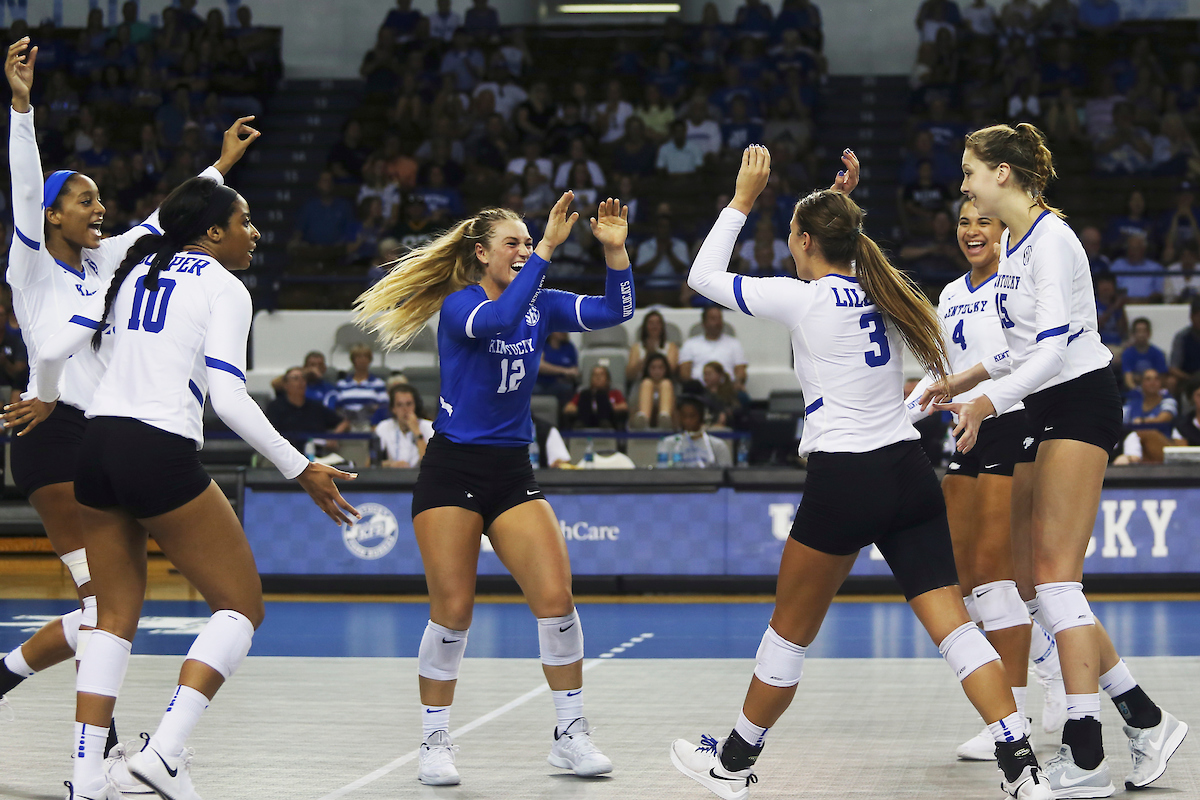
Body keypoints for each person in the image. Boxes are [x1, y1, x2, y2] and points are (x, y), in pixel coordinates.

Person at [672, 145, 1053, 800]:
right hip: (908, 472)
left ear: (805, 241)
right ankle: (1022, 765)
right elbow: (835, 247)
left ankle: (732, 764)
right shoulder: (884, 295)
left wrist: (742, 199)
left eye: (794, 236)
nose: (790, 247)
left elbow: (703, 276)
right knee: (957, 631)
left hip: (844, 480)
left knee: (788, 634)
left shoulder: (801, 299)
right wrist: (832, 204)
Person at [14, 176, 357, 797]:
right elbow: (227, 399)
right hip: (156, 448)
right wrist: (298, 466)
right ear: (212, 231)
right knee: (242, 605)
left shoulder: (132, 269)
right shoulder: (226, 288)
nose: (254, 233)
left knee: (110, 619)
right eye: (244, 221)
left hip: (94, 447)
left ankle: (88, 780)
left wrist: (42, 392)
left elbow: (52, 343)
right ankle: (165, 751)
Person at [0, 39, 257, 790]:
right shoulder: (32, 264)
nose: (98, 207)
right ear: (52, 214)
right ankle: (100, 754)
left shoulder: (109, 260)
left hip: (101, 438)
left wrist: (221, 165)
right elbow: (22, 192)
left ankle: (58, 719)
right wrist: (21, 107)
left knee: (106, 610)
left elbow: (163, 221)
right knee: (101, 605)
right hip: (51, 441)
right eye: (83, 200)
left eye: (98, 200)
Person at [922, 122, 1187, 795]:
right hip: (1041, 404)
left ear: (1002, 174)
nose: (964, 183)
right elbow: (1016, 348)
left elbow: (1051, 349)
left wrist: (987, 401)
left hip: (1079, 402)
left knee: (1055, 582)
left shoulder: (1054, 240)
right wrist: (962, 381)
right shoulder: (1014, 243)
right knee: (1036, 585)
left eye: (970, 171)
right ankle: (1144, 718)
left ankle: (1087, 750)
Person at [352, 192, 634, 785]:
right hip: (452, 470)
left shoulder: (542, 303)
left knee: (557, 600)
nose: (526, 250)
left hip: (511, 470)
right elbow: (503, 319)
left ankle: (570, 733)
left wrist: (615, 253)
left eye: (530, 243)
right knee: (453, 611)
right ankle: (434, 739)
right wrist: (552, 249)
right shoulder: (460, 306)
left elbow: (617, 312)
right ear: (481, 254)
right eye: (516, 242)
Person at [904, 198, 1068, 762]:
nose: (973, 232)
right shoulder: (949, 295)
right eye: (964, 222)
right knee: (966, 574)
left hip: (1012, 420)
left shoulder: (1016, 284)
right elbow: (939, 376)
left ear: (1004, 229)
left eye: (985, 222)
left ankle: (1016, 712)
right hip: (966, 432)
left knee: (1001, 572)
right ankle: (1050, 667)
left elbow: (1012, 358)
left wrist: (964, 391)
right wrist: (890, 422)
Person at [266, 367, 350, 451]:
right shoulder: (275, 407)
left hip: (316, 456)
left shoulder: (316, 407)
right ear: (285, 385)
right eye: (296, 378)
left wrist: (333, 437)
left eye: (303, 378)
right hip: (285, 454)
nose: (301, 382)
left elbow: (343, 422)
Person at [679, 306, 747, 390]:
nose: (717, 322)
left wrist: (736, 384)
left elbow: (740, 371)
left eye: (719, 318)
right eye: (713, 319)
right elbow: (684, 373)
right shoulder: (690, 344)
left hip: (727, 389)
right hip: (699, 389)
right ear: (704, 322)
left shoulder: (734, 343)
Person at [660, 395, 731, 467]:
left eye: (692, 416)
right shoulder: (669, 443)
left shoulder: (718, 446)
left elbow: (725, 475)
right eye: (684, 416)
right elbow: (662, 474)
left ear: (701, 417)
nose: (688, 421)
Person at [374, 383, 436, 467]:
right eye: (399, 405)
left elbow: (432, 463)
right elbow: (371, 464)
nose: (405, 409)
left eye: (409, 404)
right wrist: (391, 465)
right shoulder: (384, 427)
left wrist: (417, 432)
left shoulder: (429, 427)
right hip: (393, 477)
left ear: (415, 406)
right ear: (393, 409)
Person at [334, 343, 389, 430]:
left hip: (369, 425)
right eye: (358, 357)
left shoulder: (378, 384)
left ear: (370, 360)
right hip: (346, 425)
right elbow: (337, 407)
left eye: (365, 357)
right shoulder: (342, 384)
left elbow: (383, 407)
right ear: (353, 360)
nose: (362, 360)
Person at [563, 364, 628, 430]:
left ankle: (604, 421)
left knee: (601, 394)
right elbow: (568, 408)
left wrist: (607, 407)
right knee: (587, 394)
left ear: (608, 379)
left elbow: (624, 406)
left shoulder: (614, 393)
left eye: (601, 375)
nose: (598, 377)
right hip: (585, 421)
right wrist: (586, 409)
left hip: (608, 421)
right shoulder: (583, 394)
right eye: (595, 375)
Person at [627, 309, 679, 386]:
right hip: (641, 383)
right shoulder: (636, 348)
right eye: (651, 323)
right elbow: (630, 375)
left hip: (665, 383)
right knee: (647, 384)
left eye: (658, 323)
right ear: (645, 326)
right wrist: (648, 355)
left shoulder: (671, 347)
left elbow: (672, 370)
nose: (654, 326)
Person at [1121, 317, 1168, 390]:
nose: (1141, 335)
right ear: (1133, 334)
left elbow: (1162, 378)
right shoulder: (1127, 354)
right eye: (1138, 331)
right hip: (1136, 391)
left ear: (1149, 333)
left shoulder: (1158, 353)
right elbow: (1128, 380)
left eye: (1144, 331)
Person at [632, 351, 676, 430]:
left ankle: (665, 417)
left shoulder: (674, 385)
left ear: (666, 369)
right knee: (647, 383)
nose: (657, 371)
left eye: (660, 368)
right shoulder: (639, 385)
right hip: (643, 422)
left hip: (671, 422)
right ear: (647, 369)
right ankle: (644, 418)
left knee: (665, 383)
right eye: (653, 368)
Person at [1168, 297, 1200, 388]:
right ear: (1191, 317)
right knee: (1171, 381)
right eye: (1198, 316)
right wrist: (1191, 379)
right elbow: (1173, 368)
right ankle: (1172, 402)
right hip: (1188, 378)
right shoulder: (1182, 337)